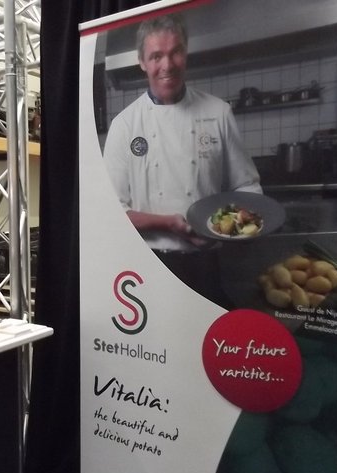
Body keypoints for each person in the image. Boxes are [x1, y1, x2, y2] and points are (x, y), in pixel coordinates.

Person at [103, 13, 262, 305]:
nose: (167, 65)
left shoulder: (218, 113)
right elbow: (112, 213)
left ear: (185, 53)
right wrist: (170, 224)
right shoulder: (125, 125)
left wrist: (229, 228)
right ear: (142, 62)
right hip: (147, 267)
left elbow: (248, 188)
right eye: (156, 56)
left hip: (206, 265)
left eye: (175, 52)